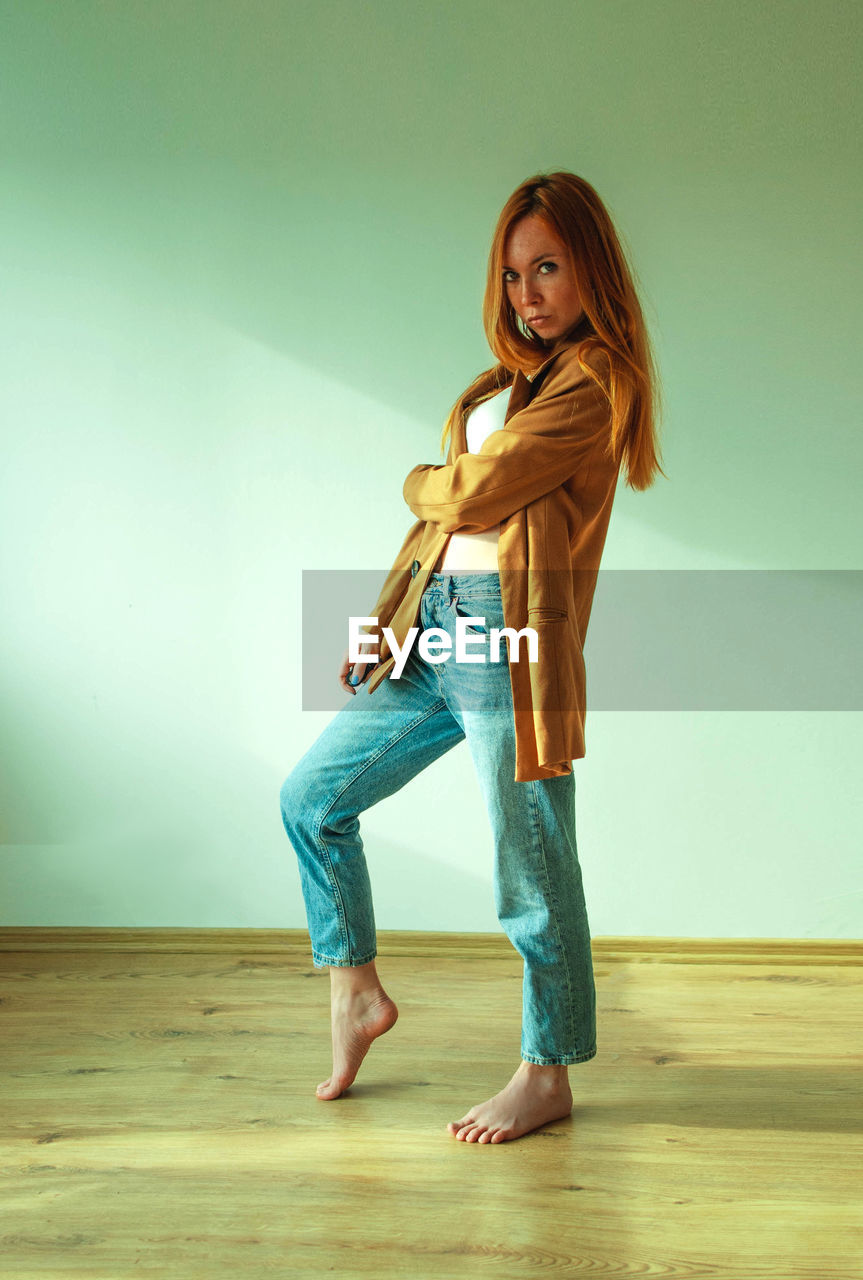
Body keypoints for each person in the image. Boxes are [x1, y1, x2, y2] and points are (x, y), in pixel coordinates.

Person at [280, 170, 665, 1143]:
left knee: (530, 870)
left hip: (506, 642)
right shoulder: (497, 387)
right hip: (434, 623)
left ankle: (546, 1070)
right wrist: (380, 624)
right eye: (509, 274)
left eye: (545, 268)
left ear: (592, 272)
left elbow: (468, 495)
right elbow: (436, 535)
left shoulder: (597, 379)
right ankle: (353, 988)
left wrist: (421, 479)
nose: (525, 292)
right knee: (312, 800)